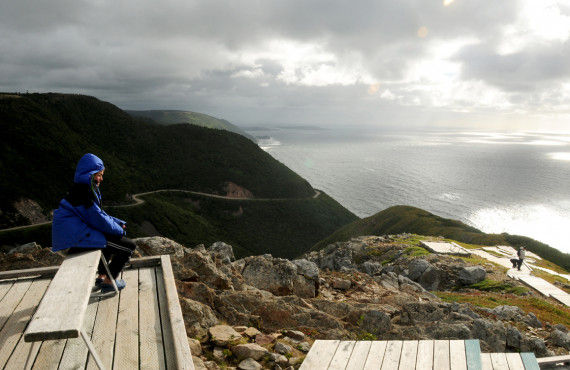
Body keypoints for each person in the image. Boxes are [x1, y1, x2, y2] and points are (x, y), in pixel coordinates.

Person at [52, 153, 136, 293]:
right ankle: (109, 282)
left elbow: (98, 214)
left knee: (108, 238)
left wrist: (118, 223)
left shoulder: (82, 188)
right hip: (78, 237)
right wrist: (120, 230)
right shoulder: (84, 193)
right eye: (99, 175)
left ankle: (103, 276)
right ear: (89, 174)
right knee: (129, 246)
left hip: (78, 232)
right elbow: (97, 218)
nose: (101, 179)